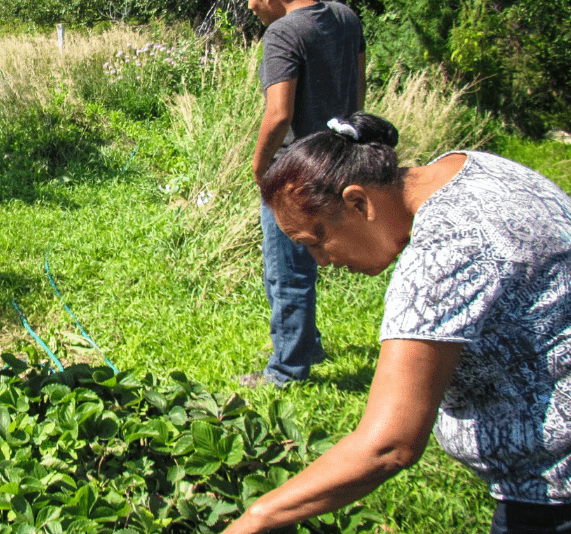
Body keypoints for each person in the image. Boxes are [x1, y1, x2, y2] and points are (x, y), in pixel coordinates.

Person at [222, 112, 571, 533]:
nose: (323, 262)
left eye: (315, 242)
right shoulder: (468, 166)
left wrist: (258, 517)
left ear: (358, 202)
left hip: (553, 495)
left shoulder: (440, 259)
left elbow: (389, 445)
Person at [238, 0, 366, 387]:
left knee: (287, 271)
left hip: (294, 172)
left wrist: (261, 168)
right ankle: (307, 345)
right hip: (335, 158)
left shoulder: (283, 32)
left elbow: (279, 114)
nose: (251, 6)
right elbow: (359, 91)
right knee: (301, 264)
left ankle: (286, 371)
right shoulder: (345, 17)